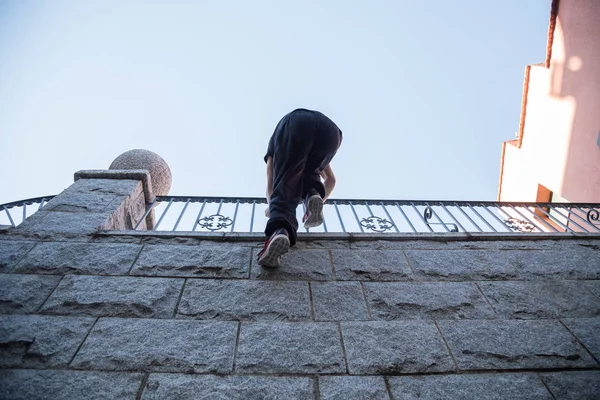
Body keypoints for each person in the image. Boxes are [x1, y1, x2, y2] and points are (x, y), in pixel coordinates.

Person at [257, 108, 342, 267]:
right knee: (309, 173)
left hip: (296, 123)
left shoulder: (276, 146)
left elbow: (272, 185)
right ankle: (311, 193)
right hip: (332, 133)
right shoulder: (308, 151)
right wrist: (316, 203)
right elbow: (331, 180)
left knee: (285, 184)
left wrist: (273, 208)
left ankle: (279, 231)